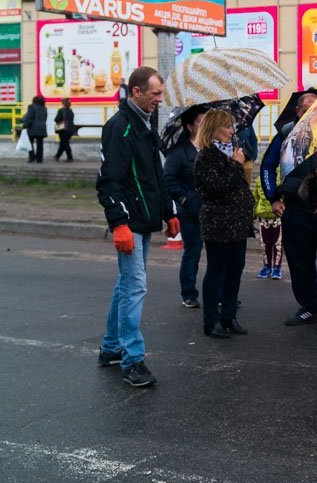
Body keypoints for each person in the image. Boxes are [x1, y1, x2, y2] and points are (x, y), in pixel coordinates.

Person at [96, 66, 179, 387]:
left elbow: (156, 175)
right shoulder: (120, 127)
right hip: (130, 222)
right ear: (136, 91)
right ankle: (133, 360)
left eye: (161, 94)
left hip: (143, 219)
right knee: (134, 287)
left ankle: (110, 348)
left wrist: (169, 212)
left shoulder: (145, 123)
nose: (159, 99)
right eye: (155, 94)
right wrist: (119, 223)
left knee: (126, 284)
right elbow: (109, 182)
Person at [260, 92, 317, 326]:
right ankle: (309, 307)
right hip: (295, 208)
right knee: (300, 262)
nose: (310, 113)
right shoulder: (285, 133)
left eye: (315, 108)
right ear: (298, 111)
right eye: (306, 109)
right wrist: (273, 198)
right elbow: (267, 166)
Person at [193, 109, 252, 339]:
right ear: (213, 129)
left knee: (235, 270)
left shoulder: (232, 152)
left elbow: (238, 185)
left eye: (231, 126)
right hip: (219, 224)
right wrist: (236, 165)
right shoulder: (205, 156)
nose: (231, 131)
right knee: (217, 271)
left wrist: (238, 163)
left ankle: (229, 316)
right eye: (227, 126)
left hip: (238, 223)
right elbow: (216, 188)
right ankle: (211, 321)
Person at [164, 106, 206, 308]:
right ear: (190, 126)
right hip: (190, 211)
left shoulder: (213, 148)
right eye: (200, 122)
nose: (205, 125)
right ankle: (189, 293)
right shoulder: (178, 152)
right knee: (193, 252)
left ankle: (220, 294)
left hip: (213, 210)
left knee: (219, 255)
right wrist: (184, 200)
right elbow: (169, 180)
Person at [251, 173, 283, 281]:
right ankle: (267, 267)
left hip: (277, 217)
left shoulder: (281, 179)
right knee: (265, 245)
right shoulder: (259, 179)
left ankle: (277, 268)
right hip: (263, 216)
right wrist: (253, 215)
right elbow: (255, 198)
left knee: (277, 245)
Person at [21, 95, 48, 163]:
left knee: (30, 143)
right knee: (40, 144)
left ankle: (32, 158)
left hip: (33, 128)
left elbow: (29, 117)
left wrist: (25, 125)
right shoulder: (44, 108)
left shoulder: (32, 107)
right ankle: (39, 159)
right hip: (42, 128)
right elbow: (45, 118)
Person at [53, 97, 76, 161]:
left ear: (63, 104)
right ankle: (57, 156)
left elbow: (56, 119)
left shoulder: (61, 110)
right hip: (70, 129)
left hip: (63, 129)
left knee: (65, 143)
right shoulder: (71, 111)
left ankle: (69, 157)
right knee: (63, 143)